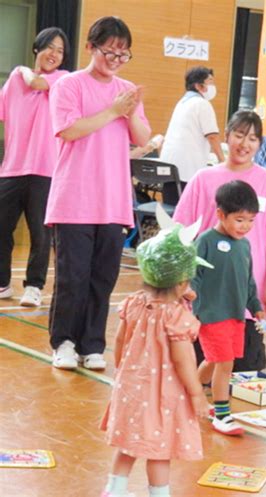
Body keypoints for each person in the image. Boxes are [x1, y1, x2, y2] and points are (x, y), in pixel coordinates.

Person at [46, 16, 151, 370]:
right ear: (92, 47)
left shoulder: (126, 91)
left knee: (102, 278)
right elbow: (70, 130)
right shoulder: (69, 85)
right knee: (71, 277)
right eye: (111, 51)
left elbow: (141, 137)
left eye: (124, 54)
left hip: (113, 199)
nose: (116, 60)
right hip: (74, 199)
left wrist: (131, 109)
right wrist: (113, 111)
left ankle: (92, 344)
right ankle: (63, 341)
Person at [173, 110, 266, 372]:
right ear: (227, 136)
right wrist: (182, 282)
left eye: (252, 138)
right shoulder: (203, 179)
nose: (244, 144)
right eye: (239, 135)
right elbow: (181, 235)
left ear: (260, 144)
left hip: (245, 297)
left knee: (245, 372)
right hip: (205, 299)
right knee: (196, 375)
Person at [100, 223, 210, 497]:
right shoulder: (176, 317)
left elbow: (119, 341)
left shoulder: (134, 303)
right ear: (183, 282)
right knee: (160, 450)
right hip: (163, 393)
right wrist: (196, 393)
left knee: (128, 442)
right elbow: (184, 360)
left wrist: (121, 370)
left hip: (132, 387)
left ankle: (115, 489)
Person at [0, 27, 69, 306]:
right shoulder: (13, 82)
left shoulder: (63, 80)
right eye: (49, 47)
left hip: (46, 169)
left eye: (60, 50)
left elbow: (37, 83)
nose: (54, 54)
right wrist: (18, 73)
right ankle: (3, 283)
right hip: (12, 168)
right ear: (37, 48)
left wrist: (21, 70)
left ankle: (34, 286)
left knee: (41, 234)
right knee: (2, 229)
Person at [192, 180, 266, 435]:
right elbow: (193, 277)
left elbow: (248, 280)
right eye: (239, 219)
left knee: (215, 361)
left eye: (251, 220)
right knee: (225, 364)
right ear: (221, 214)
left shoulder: (244, 245)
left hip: (236, 316)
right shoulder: (206, 241)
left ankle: (189, 394)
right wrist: (194, 311)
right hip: (212, 316)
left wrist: (255, 306)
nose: (245, 226)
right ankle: (222, 415)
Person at [159, 66, 225, 205]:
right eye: (210, 82)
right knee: (183, 210)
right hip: (186, 168)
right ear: (198, 85)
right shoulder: (202, 104)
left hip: (170, 166)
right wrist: (222, 161)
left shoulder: (182, 103)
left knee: (171, 208)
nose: (213, 86)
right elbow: (212, 136)